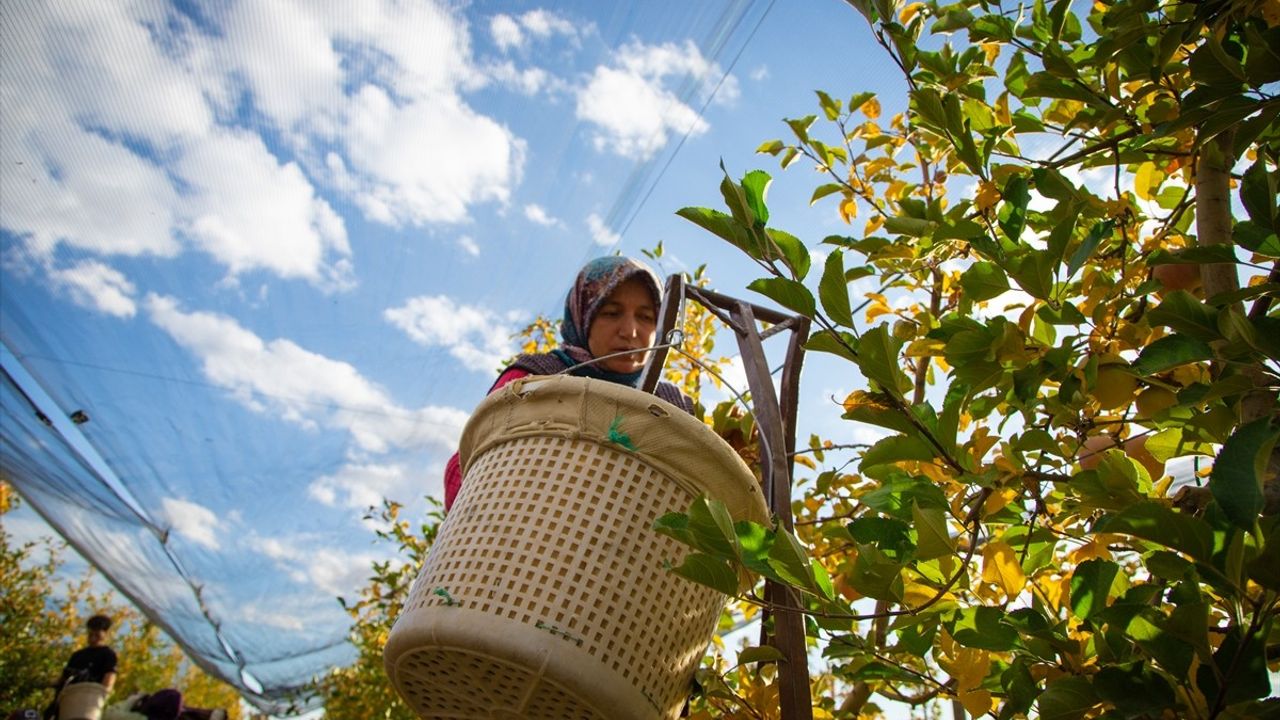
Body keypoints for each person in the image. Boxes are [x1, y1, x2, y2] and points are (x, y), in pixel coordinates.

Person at [442, 255, 694, 511]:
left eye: (646, 317)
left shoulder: (671, 404)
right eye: (611, 313)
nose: (629, 330)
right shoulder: (536, 378)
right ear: (582, 316)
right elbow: (468, 467)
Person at [44, 614, 117, 720]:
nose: (92, 638)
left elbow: (109, 678)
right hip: (67, 700)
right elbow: (63, 678)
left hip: (87, 701)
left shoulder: (108, 654)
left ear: (105, 634)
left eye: (97, 634)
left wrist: (102, 696)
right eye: (90, 634)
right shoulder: (78, 655)